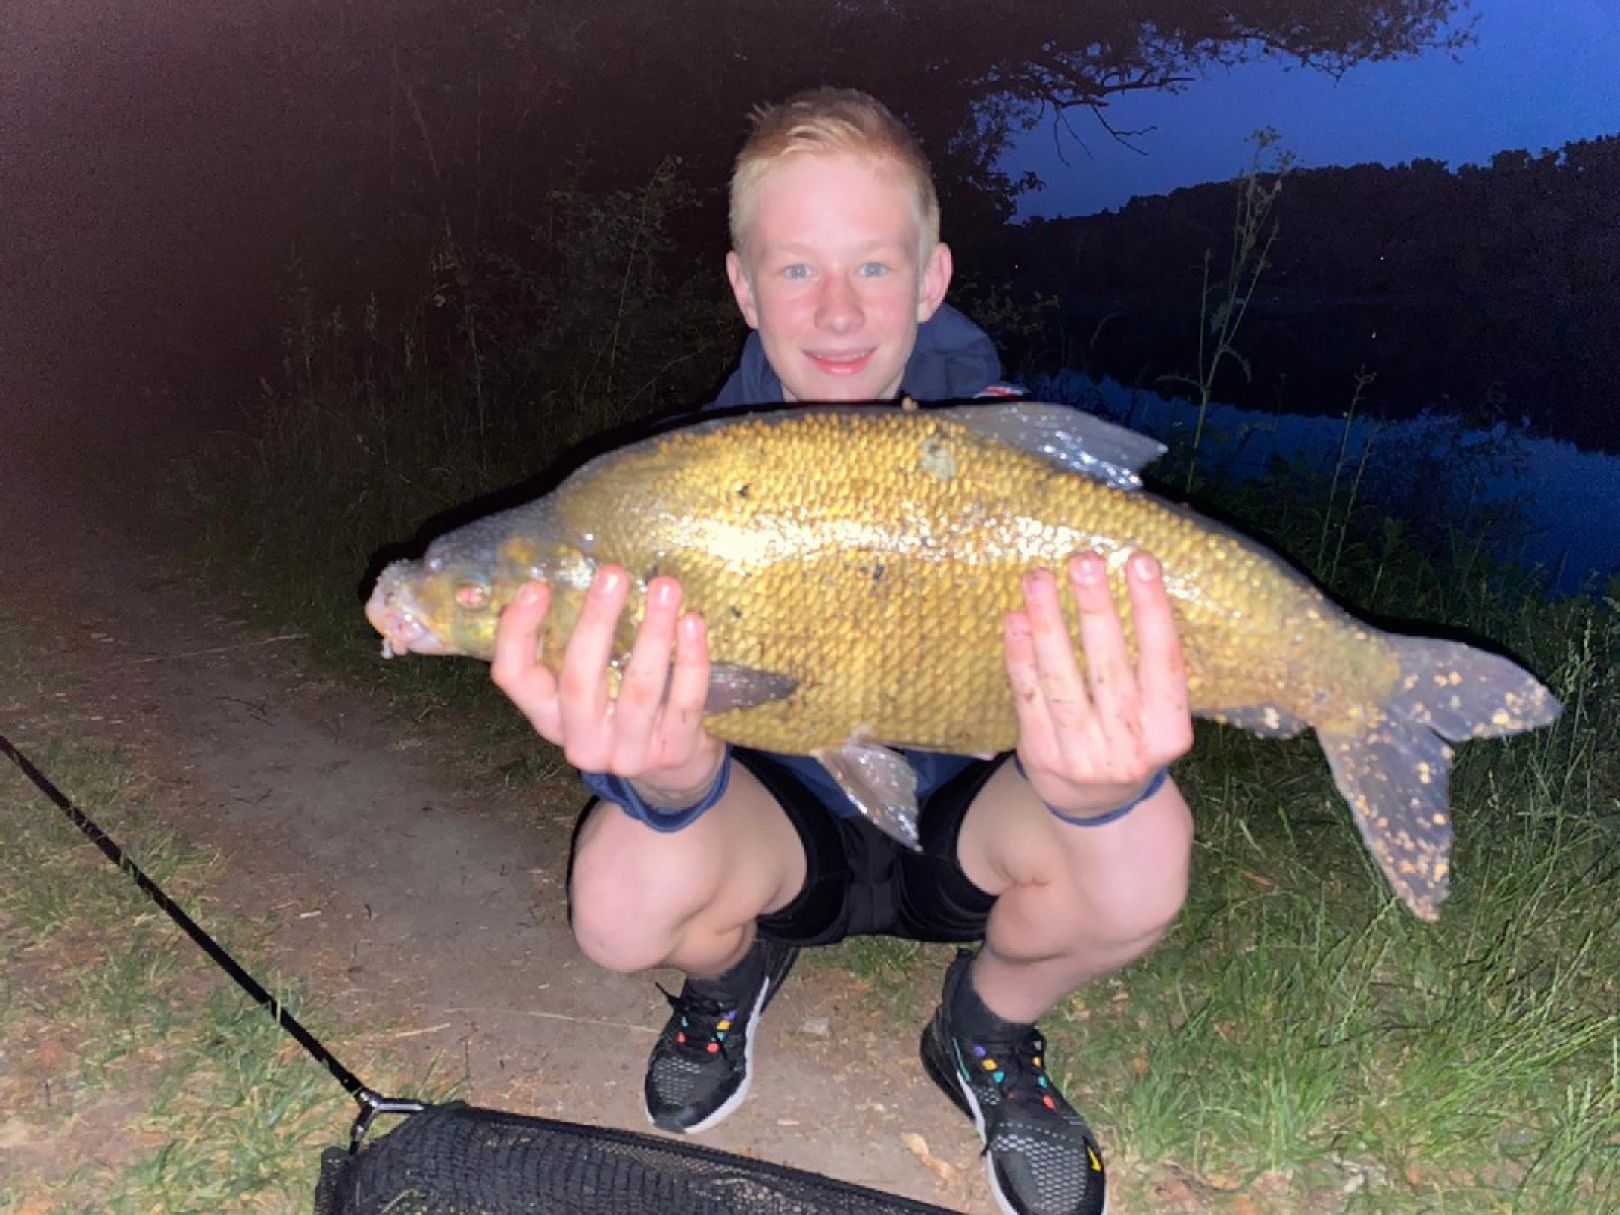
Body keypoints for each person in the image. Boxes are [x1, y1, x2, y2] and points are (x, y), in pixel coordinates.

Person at [490, 88, 1195, 1215]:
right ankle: (729, 978)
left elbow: (1109, 679)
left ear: (930, 280)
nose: (834, 311)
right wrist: (665, 776)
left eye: (872, 268)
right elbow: (654, 743)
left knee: (1143, 843)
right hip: (786, 832)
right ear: (742, 286)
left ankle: (987, 1029)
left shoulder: (1008, 461)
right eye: (796, 269)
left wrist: (1101, 779)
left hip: (974, 820)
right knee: (619, 898)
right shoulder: (676, 492)